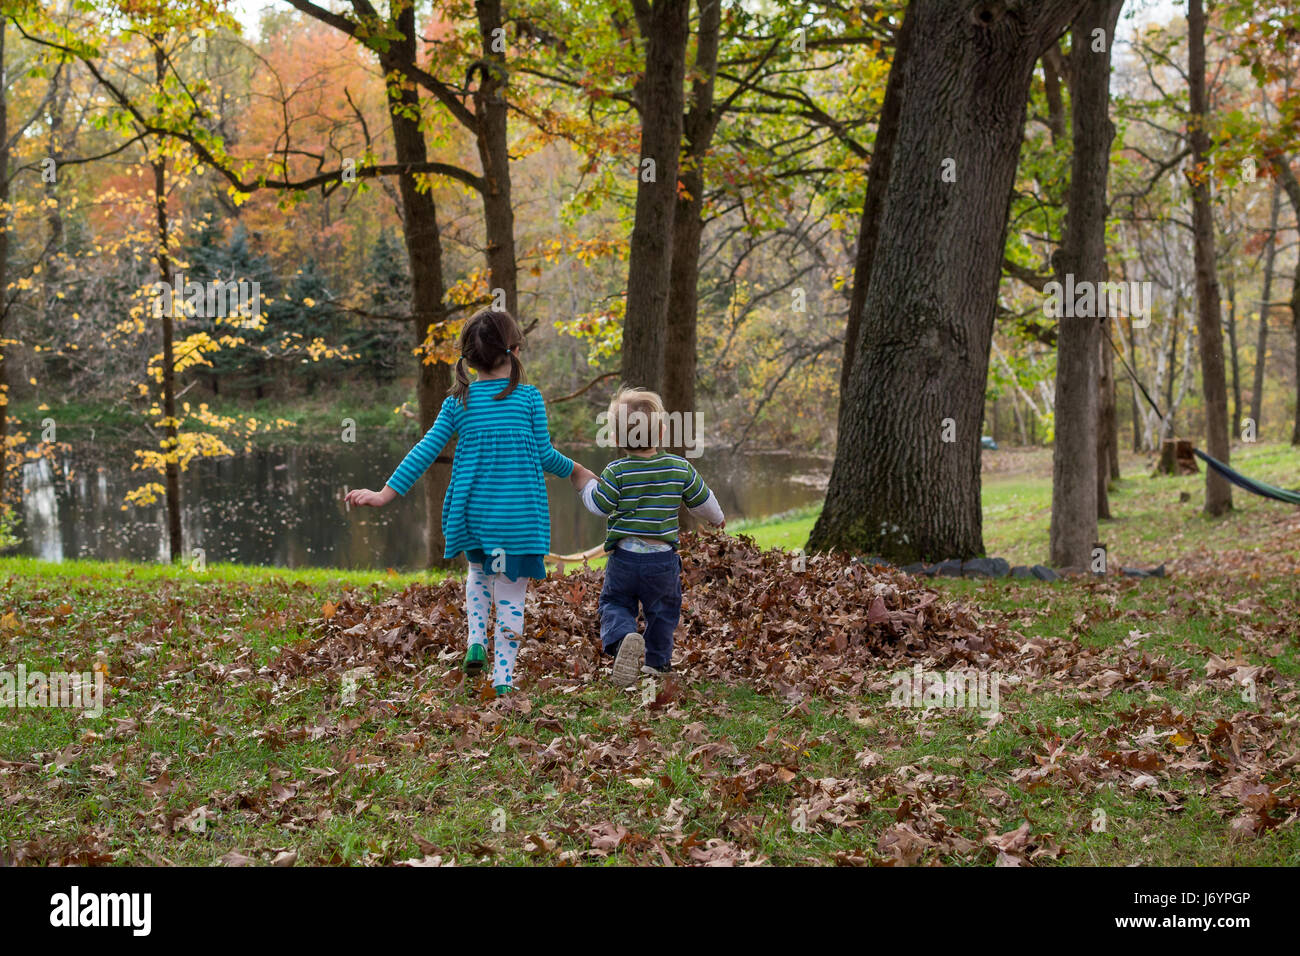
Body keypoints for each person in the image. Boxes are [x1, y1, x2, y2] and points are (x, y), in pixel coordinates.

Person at [345, 309, 597, 695]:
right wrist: (577, 470)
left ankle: (476, 639)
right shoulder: (528, 399)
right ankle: (503, 679)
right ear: (513, 351)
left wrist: (384, 493)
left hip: (474, 515)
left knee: (479, 574)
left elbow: (425, 451)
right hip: (519, 520)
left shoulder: (458, 403)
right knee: (512, 593)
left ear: (467, 358)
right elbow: (545, 456)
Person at [578, 387, 724, 686]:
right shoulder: (679, 468)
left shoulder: (616, 471)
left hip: (624, 560)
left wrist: (584, 485)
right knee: (663, 612)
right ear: (660, 432)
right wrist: (717, 519)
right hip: (662, 561)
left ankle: (622, 641)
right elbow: (703, 502)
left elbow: (598, 506)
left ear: (617, 438)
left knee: (615, 603)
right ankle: (656, 663)